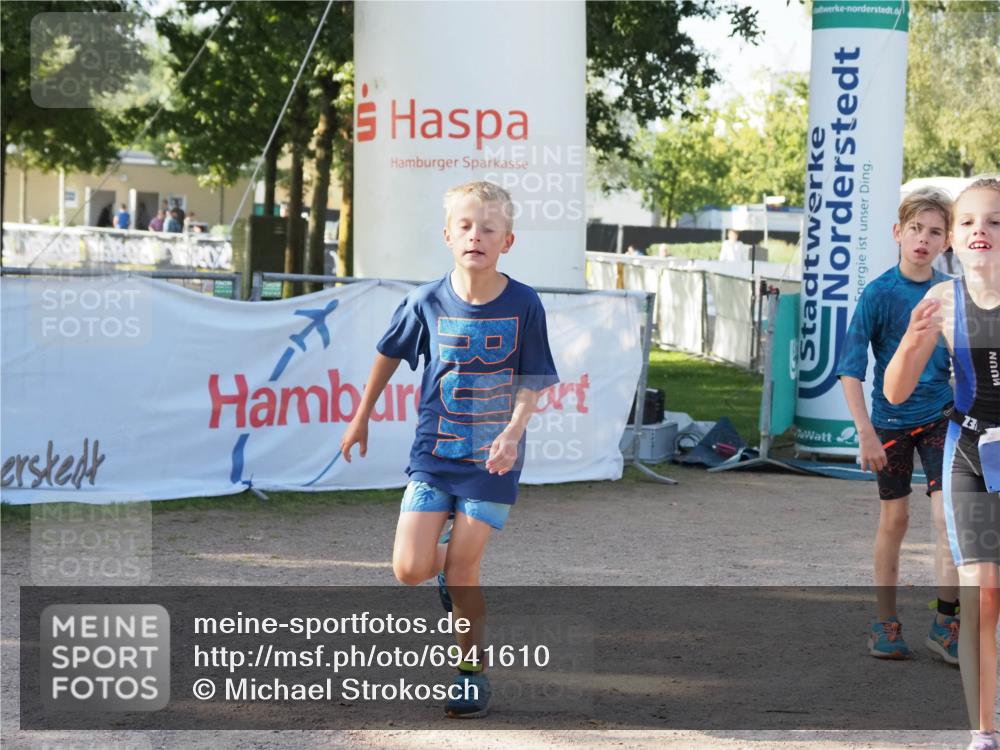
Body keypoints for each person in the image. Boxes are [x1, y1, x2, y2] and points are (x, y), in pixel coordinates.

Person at [340, 181, 558, 719]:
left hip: (492, 460)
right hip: (434, 454)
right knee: (409, 569)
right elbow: (388, 354)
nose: (475, 236)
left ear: (507, 240)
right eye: (465, 226)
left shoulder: (524, 302)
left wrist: (512, 433)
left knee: (464, 570)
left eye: (488, 228)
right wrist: (361, 415)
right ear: (447, 235)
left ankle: (471, 672)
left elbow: (532, 378)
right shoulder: (425, 300)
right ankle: (441, 572)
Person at [885, 178, 1000, 750]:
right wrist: (910, 342)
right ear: (955, 238)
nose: (982, 230)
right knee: (984, 591)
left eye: (995, 221)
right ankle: (984, 732)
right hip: (971, 456)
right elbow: (896, 391)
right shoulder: (942, 302)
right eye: (971, 221)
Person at [836, 187, 960, 663]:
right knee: (896, 519)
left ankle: (946, 625)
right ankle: (884, 623)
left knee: (947, 517)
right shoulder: (880, 293)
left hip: (940, 418)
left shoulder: (952, 293)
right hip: (888, 421)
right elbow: (850, 368)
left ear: (947, 242)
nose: (923, 240)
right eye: (915, 229)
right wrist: (866, 433)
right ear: (897, 233)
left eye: (934, 232)